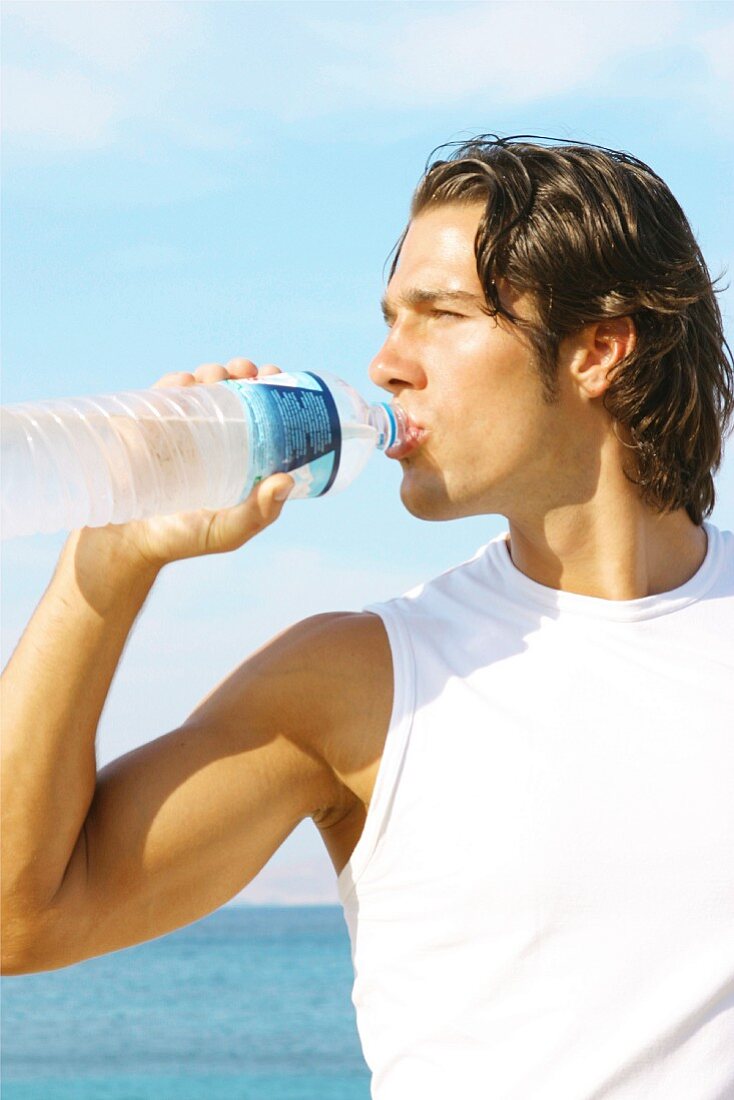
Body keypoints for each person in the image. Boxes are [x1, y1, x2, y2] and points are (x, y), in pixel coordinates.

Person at [2, 135, 733, 1098]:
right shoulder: (358, 682)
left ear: (598, 349)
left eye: (440, 315)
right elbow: (23, 919)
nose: (387, 364)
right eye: (389, 319)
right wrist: (108, 565)